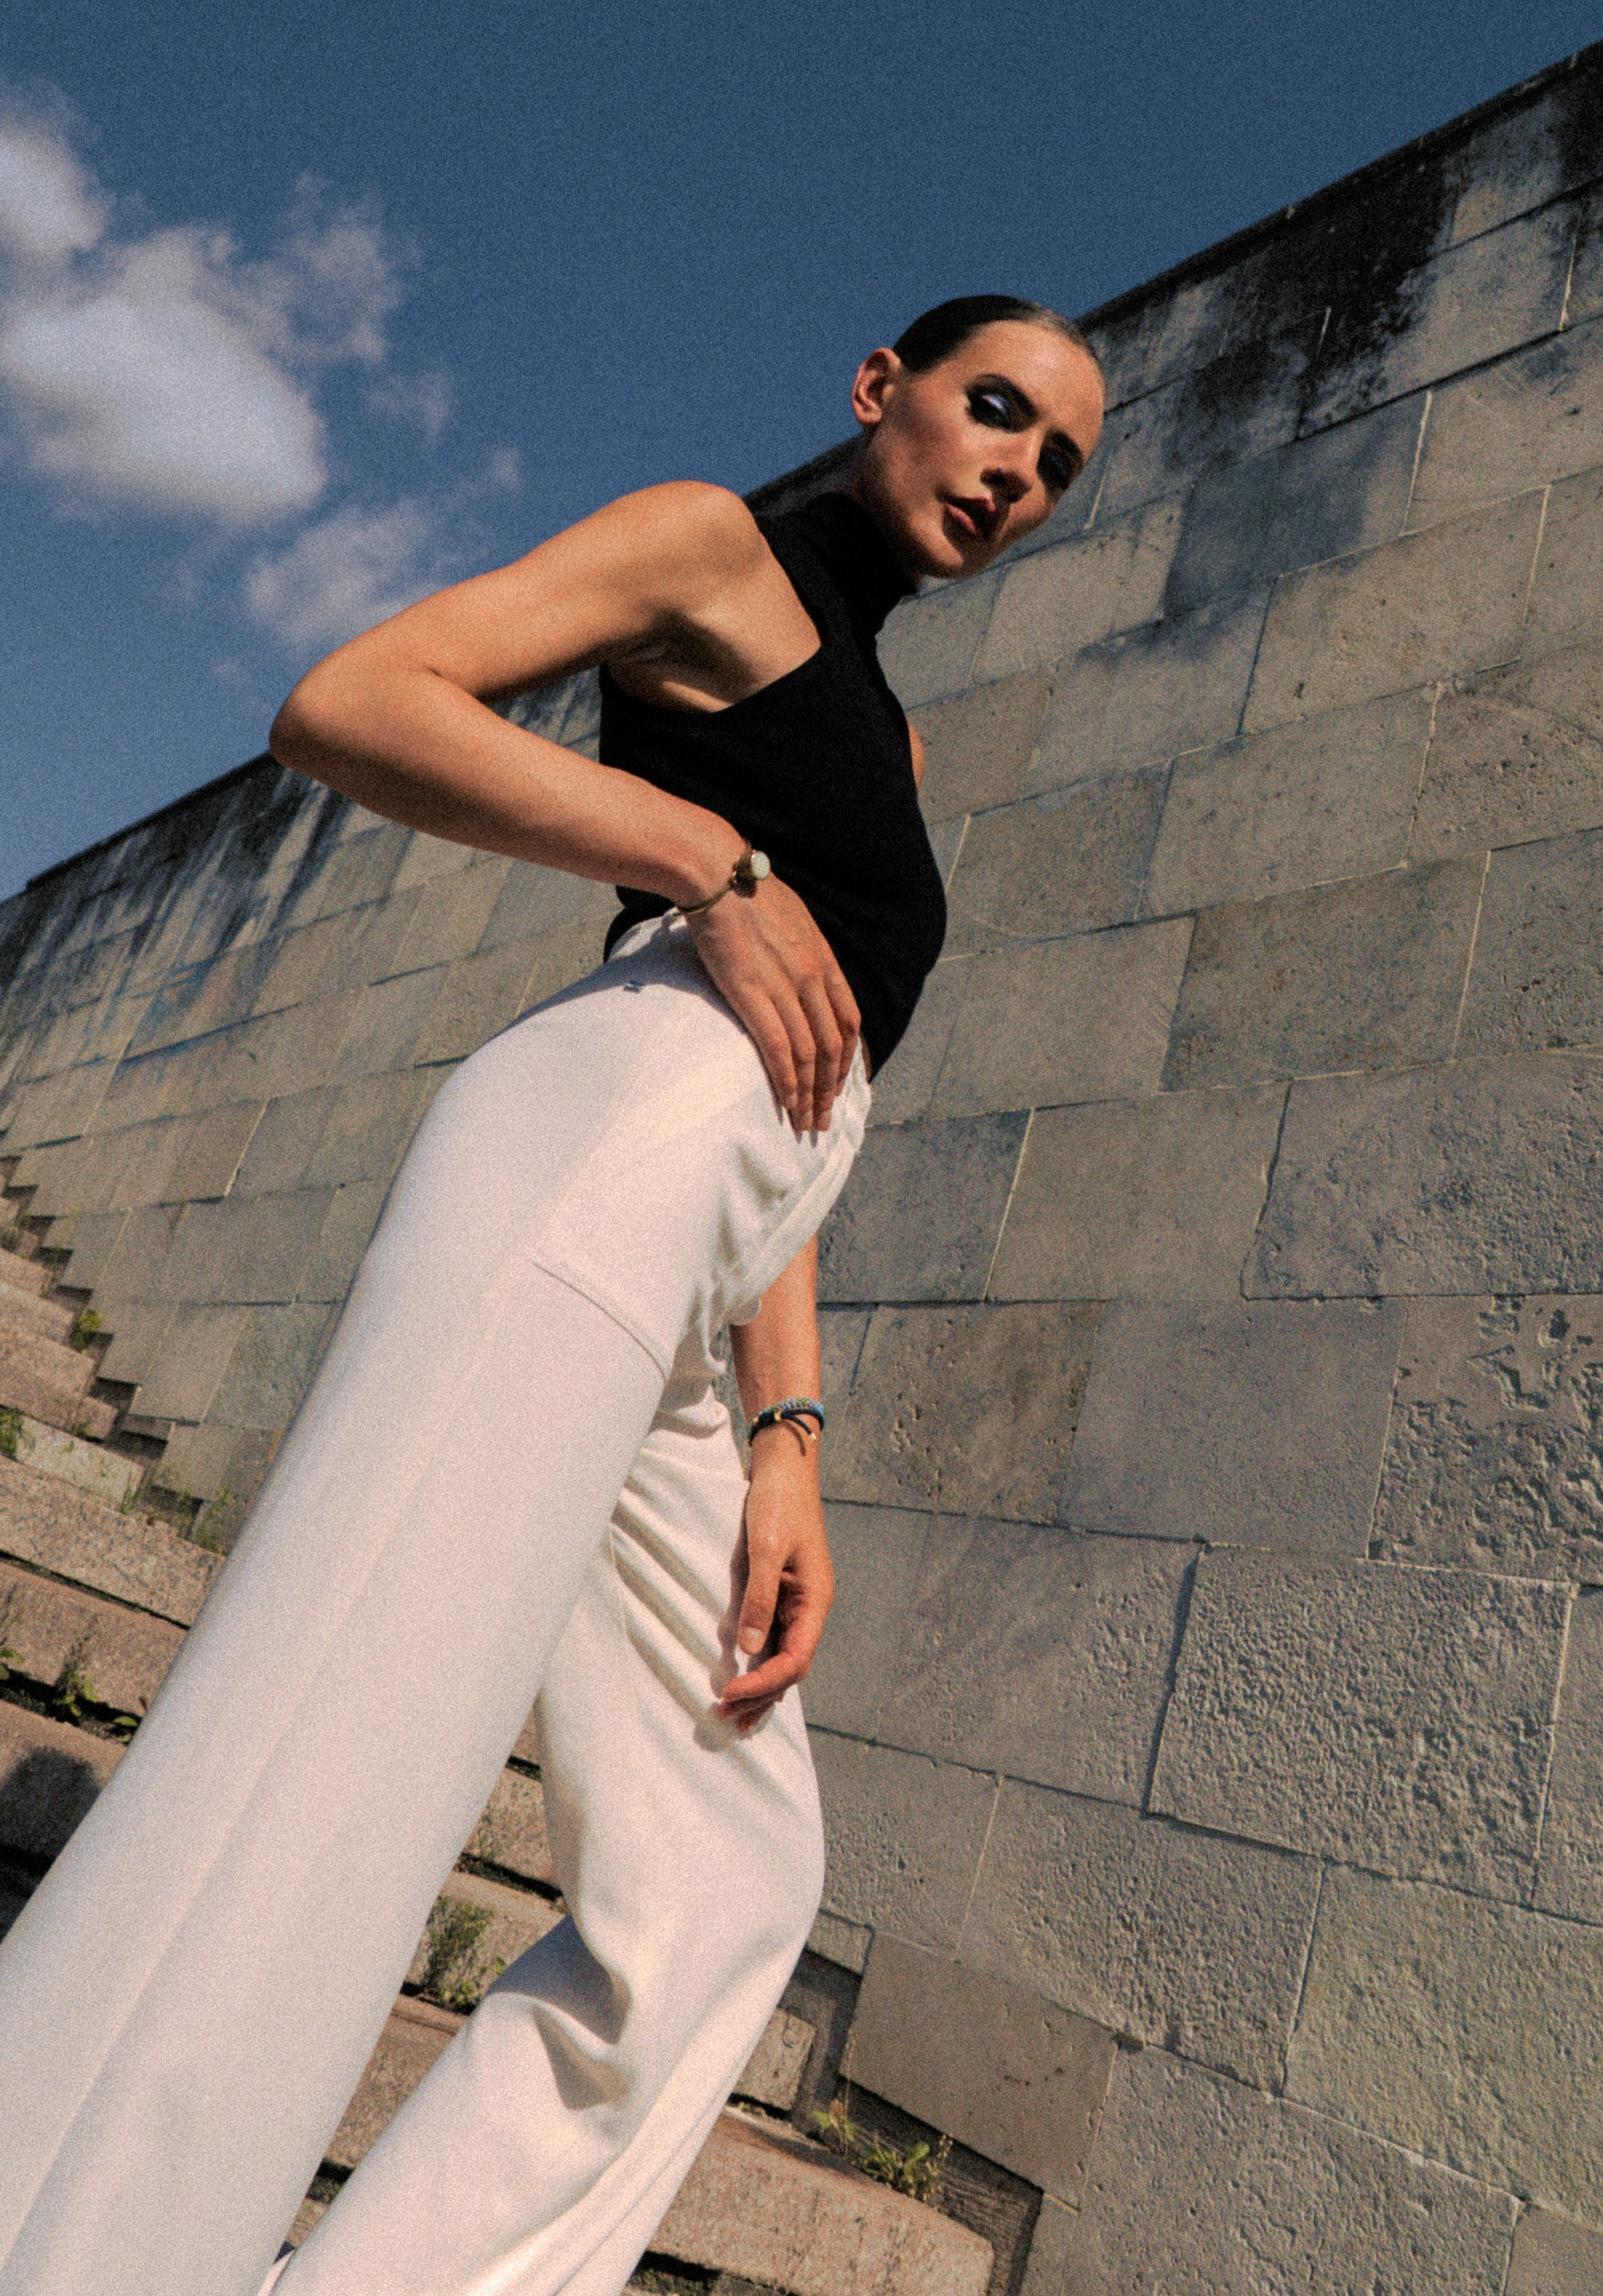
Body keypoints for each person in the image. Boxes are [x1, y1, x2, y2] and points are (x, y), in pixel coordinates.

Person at [0, 297, 1105, 2296]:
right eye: (995, 410)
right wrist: (707, 862)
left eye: (1057, 465)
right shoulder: (710, 547)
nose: (1016, 472)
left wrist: (788, 1438)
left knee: (725, 1873)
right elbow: (353, 700)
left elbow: (808, 1081)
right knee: (334, 1758)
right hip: (590, 1167)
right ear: (883, 387)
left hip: (704, 1263)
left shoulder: (895, 733)